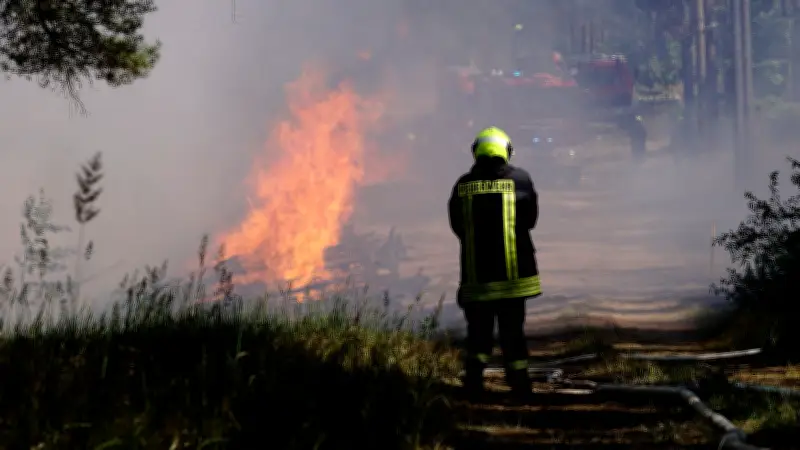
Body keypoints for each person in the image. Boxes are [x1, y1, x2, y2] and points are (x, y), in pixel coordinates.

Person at [448, 126, 542, 397]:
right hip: (514, 281)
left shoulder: (463, 186)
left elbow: (457, 226)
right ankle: (520, 385)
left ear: (476, 153)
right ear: (506, 151)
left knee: (478, 334)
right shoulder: (521, 181)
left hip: (478, 279)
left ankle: (474, 384)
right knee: (513, 332)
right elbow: (531, 220)